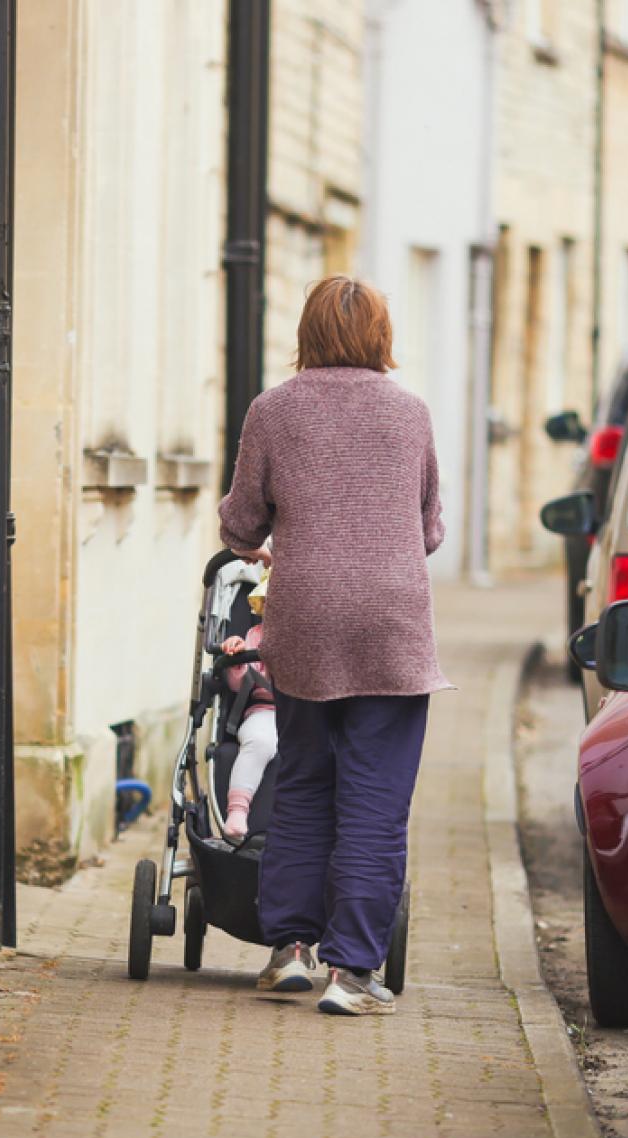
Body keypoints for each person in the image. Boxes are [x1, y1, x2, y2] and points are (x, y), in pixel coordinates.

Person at [217, 275, 450, 1017]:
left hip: (306, 618)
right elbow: (430, 529)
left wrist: (258, 536)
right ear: (381, 337)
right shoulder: (409, 413)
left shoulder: (273, 410)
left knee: (306, 785)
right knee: (377, 802)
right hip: (392, 623)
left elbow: (241, 524)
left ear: (307, 335)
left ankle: (289, 949)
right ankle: (352, 972)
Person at [217, 584, 276, 840]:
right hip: (266, 709)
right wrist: (237, 658)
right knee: (260, 741)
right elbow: (238, 685)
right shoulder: (255, 635)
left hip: (310, 711)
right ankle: (238, 810)